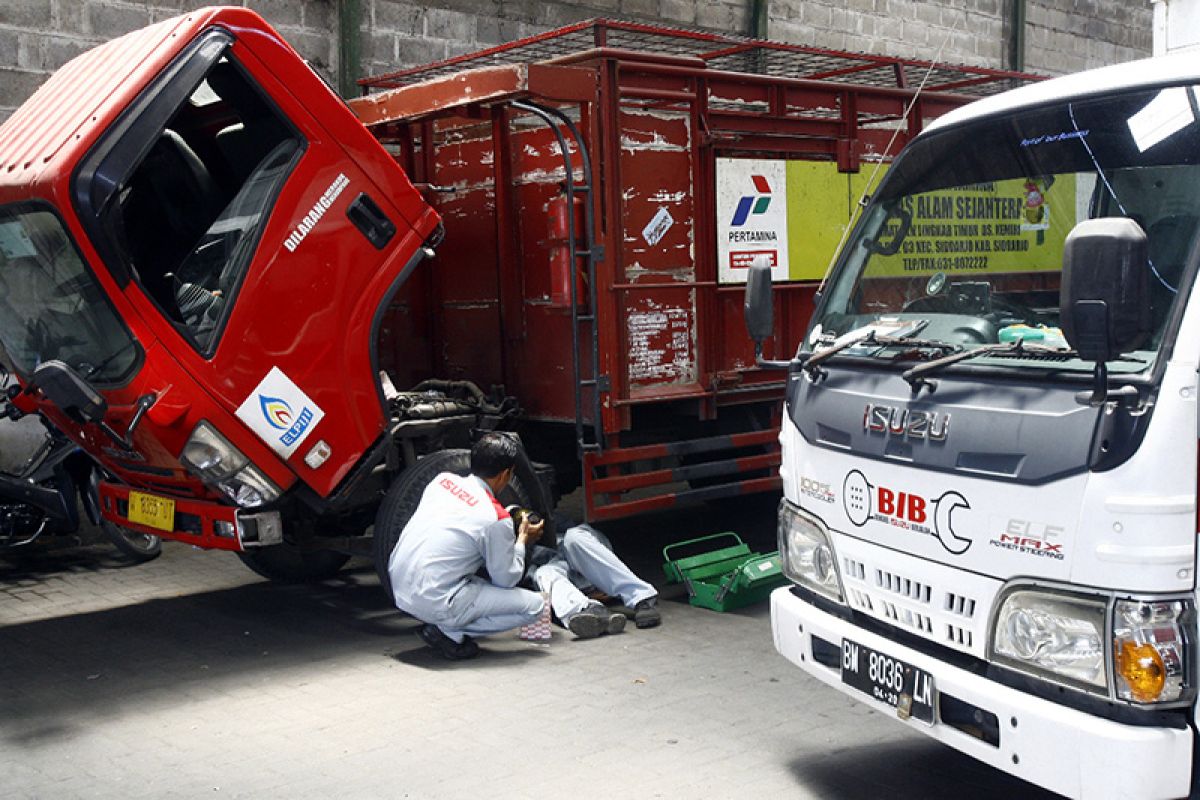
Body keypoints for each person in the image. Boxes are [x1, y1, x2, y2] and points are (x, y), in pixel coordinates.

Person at [388, 433, 545, 660]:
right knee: (536, 607)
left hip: (399, 587)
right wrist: (521, 541)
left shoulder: (441, 481)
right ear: (506, 474)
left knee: (469, 576)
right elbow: (506, 580)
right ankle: (449, 630)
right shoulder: (495, 518)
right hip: (434, 599)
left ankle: (446, 622)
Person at [527, 519, 661, 637]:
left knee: (573, 538)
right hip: (562, 569)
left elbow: (569, 525)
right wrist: (523, 542)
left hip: (584, 553)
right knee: (544, 572)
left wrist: (539, 527)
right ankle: (589, 611)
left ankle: (642, 597)